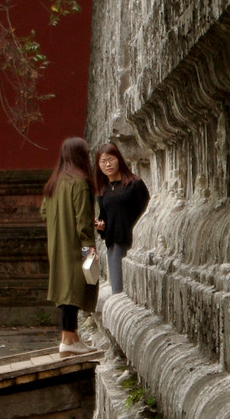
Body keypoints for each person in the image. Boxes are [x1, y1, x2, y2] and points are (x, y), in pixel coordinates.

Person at [41, 137, 98, 355]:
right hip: (74, 245)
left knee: (65, 289)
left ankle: (69, 337)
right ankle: (69, 339)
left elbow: (44, 212)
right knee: (74, 289)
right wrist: (89, 247)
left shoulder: (54, 182)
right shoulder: (80, 183)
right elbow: (83, 220)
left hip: (57, 244)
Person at [94, 142, 150, 294]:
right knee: (118, 290)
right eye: (103, 161)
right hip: (115, 244)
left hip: (136, 243)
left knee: (139, 291)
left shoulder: (134, 184)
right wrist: (100, 226)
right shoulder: (102, 190)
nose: (108, 164)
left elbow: (147, 213)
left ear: (119, 159)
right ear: (98, 165)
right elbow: (104, 218)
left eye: (111, 159)